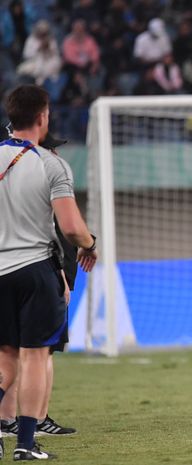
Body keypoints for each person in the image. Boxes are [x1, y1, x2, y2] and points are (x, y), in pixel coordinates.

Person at [0, 84, 97, 460]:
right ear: (43, 117)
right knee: (35, 357)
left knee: (6, 358)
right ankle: (26, 444)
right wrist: (90, 244)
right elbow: (71, 227)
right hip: (35, 269)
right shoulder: (51, 163)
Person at [0, 132, 78, 441]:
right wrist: (62, 278)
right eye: (53, 147)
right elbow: (65, 232)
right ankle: (34, 423)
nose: (56, 154)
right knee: (38, 354)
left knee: (10, 353)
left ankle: (9, 421)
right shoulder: (48, 177)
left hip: (12, 272)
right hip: (40, 276)